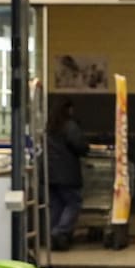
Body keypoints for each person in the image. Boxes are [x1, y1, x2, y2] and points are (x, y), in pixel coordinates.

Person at [46, 100, 89, 251]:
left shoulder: (49, 127)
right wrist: (86, 148)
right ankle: (60, 232)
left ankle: (53, 235)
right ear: (68, 109)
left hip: (50, 173)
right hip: (67, 173)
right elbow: (80, 146)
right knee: (74, 203)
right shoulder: (69, 126)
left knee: (56, 205)